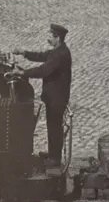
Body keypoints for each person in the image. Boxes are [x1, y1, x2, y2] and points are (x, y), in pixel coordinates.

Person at [23, 23, 74, 166]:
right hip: (53, 98)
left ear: (57, 38)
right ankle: (53, 154)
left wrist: (23, 73)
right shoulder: (57, 51)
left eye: (50, 36)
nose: (48, 39)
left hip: (57, 99)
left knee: (55, 128)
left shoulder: (60, 55)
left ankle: (55, 159)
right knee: (52, 127)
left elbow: (43, 70)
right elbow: (42, 56)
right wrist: (24, 53)